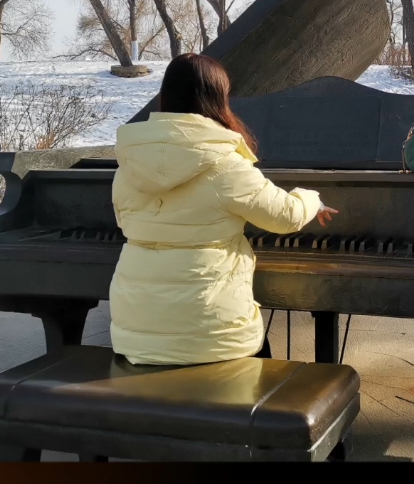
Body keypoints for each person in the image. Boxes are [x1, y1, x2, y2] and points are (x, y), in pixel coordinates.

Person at [108, 53, 338, 365]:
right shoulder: (224, 162)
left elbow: (125, 220)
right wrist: (312, 198)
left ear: (165, 96)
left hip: (133, 332)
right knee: (263, 359)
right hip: (211, 336)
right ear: (217, 100)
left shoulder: (129, 164)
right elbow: (286, 216)